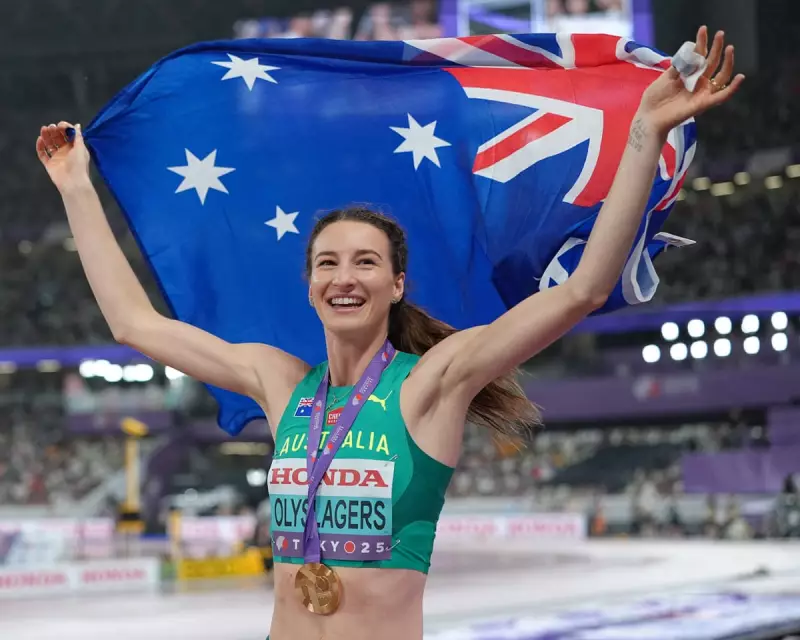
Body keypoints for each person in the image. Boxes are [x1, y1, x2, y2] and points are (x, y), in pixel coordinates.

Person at [36, 26, 742, 640]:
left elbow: (584, 288)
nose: (346, 276)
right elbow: (133, 324)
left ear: (396, 283)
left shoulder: (436, 381)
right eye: (328, 263)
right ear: (310, 285)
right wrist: (75, 187)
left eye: (366, 261)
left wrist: (645, 134)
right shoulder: (281, 384)